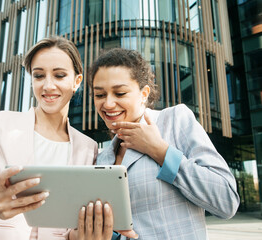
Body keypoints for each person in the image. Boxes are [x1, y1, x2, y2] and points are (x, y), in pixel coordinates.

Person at [0, 37, 115, 240]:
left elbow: (70, 231)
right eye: (39, 76)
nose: (48, 86)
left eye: (59, 75)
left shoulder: (88, 148)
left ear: (76, 81)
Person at [88, 48, 240, 240]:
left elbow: (226, 201)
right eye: (100, 95)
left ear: (144, 94)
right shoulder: (102, 158)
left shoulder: (175, 121)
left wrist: (159, 150)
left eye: (119, 93)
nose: (108, 104)